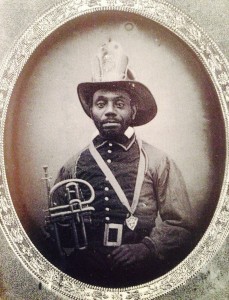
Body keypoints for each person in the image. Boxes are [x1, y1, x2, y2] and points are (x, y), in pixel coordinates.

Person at [52, 40, 194, 287]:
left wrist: (147, 248)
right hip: (85, 278)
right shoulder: (72, 166)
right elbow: (54, 227)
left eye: (119, 104)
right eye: (100, 103)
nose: (109, 111)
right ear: (91, 111)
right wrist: (76, 253)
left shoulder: (159, 162)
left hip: (144, 277)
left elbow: (180, 225)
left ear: (133, 110)